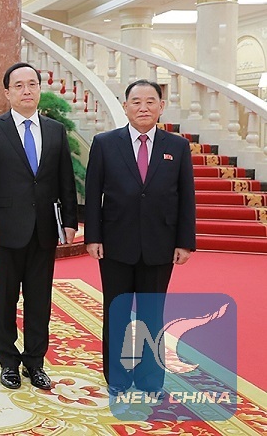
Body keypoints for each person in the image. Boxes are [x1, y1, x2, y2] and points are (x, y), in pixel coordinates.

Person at [84, 79, 195, 395]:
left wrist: (185, 241)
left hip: (160, 245)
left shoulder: (177, 147)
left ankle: (149, 379)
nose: (143, 107)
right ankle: (117, 378)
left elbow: (186, 197)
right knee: (116, 312)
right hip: (115, 243)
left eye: (150, 101)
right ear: (125, 106)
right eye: (136, 101)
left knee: (152, 314)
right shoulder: (105, 143)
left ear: (161, 106)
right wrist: (93, 237)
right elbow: (92, 194)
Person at [0, 62, 78, 391]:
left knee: (39, 301)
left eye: (32, 84)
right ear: (7, 93)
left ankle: (35, 362)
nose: (27, 90)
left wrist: (70, 221)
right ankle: (8, 362)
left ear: (39, 89)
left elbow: (65, 179)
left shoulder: (55, 130)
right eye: (18, 85)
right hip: (4, 230)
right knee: (5, 300)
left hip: (44, 230)